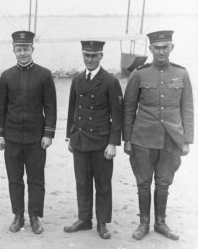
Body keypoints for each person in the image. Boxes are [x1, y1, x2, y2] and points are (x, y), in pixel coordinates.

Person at [123, 30, 194, 241]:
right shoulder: (139, 74)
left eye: (165, 47)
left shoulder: (181, 74)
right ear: (151, 49)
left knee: (164, 183)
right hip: (143, 138)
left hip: (171, 139)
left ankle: (160, 222)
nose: (161, 51)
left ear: (172, 48)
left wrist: (187, 140)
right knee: (143, 182)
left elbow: (187, 109)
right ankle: (144, 223)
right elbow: (129, 109)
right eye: (157, 48)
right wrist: (127, 139)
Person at [0, 30, 57, 234]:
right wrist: (0, 134)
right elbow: (0, 108)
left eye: (26, 49)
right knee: (14, 178)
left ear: (33, 49)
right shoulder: (6, 76)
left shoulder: (44, 74)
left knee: (36, 178)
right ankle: (18, 215)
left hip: (36, 138)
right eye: (19, 49)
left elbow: (50, 107)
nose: (23, 53)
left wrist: (48, 134)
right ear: (13, 50)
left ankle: (35, 216)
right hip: (12, 137)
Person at [64, 41, 123, 239]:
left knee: (103, 184)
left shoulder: (110, 81)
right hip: (80, 140)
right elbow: (73, 109)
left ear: (101, 56)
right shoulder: (78, 79)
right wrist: (70, 137)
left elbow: (117, 115)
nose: (89, 59)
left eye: (94, 55)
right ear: (82, 54)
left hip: (101, 142)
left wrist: (113, 143)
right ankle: (84, 219)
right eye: (86, 55)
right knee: (82, 181)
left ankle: (102, 223)